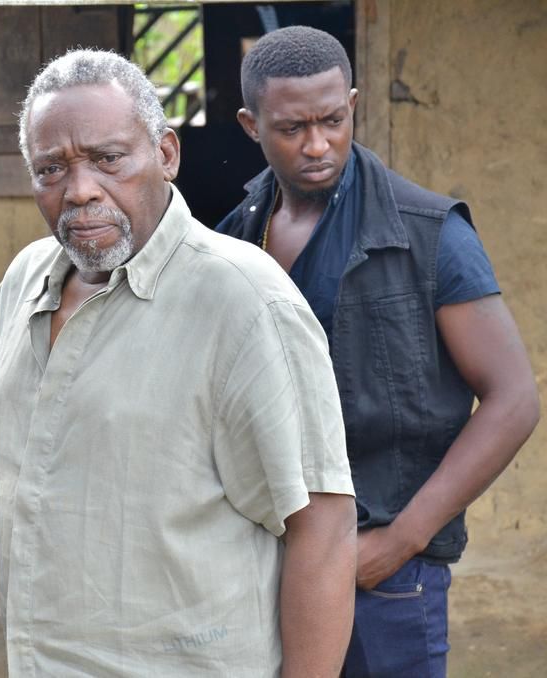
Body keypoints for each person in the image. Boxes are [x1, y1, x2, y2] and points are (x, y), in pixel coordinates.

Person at [0, 49, 357, 676]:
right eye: (51, 168)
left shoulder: (245, 300)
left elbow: (322, 528)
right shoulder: (23, 283)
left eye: (108, 159)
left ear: (165, 154)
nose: (80, 190)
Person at [215, 26, 540, 677]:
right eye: (292, 128)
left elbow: (514, 401)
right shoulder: (237, 238)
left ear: (353, 105)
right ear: (251, 125)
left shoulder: (429, 233)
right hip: (269, 563)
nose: (317, 145)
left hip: (384, 575)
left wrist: (402, 539)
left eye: (332, 121)